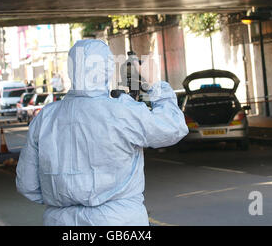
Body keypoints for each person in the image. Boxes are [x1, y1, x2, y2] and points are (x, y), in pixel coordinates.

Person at [16, 39, 188, 226]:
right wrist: (155, 83)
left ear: (71, 69)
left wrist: (64, 203)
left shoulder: (45, 119)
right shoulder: (123, 112)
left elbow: (27, 185)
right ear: (107, 69)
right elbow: (173, 127)